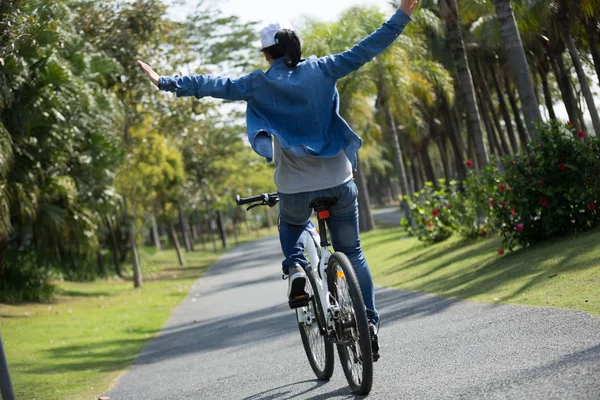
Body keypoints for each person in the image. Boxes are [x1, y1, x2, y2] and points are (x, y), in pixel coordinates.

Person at [138, 0, 418, 361]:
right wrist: (403, 15)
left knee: (292, 228)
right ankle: (369, 324)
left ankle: (297, 268)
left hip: (294, 187)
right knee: (353, 252)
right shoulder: (323, 68)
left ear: (267, 54)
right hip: (338, 179)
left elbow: (214, 84)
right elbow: (368, 47)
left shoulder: (257, 84)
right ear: (294, 44)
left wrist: (167, 82)